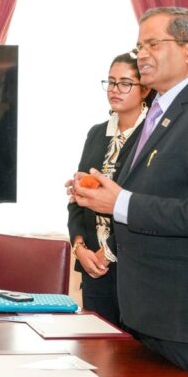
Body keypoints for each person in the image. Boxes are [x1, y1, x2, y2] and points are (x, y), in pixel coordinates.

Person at [70, 7, 188, 377]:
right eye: (139, 46)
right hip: (144, 309)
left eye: (153, 44)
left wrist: (120, 204)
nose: (142, 55)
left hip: (182, 315)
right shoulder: (159, 114)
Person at [65, 53, 151, 326]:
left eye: (125, 83)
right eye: (111, 82)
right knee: (97, 352)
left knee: (132, 358)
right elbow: (78, 199)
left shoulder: (152, 136)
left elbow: (145, 203)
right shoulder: (96, 133)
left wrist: (109, 252)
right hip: (92, 266)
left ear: (145, 89)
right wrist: (79, 247)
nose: (115, 89)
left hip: (133, 266)